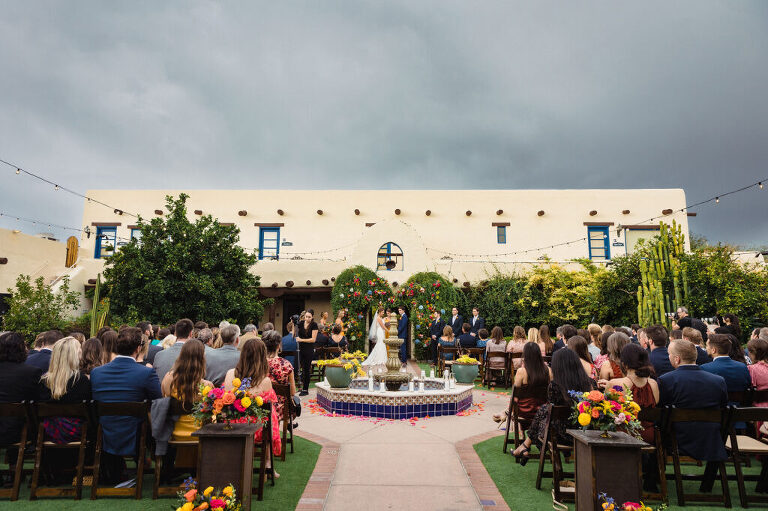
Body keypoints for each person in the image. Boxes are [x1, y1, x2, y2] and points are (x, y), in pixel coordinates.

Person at [90, 327, 162, 483]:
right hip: (136, 432)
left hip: (105, 430)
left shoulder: (97, 372)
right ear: (138, 348)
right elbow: (158, 400)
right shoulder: (145, 373)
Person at [658, 339, 728, 493]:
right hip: (712, 437)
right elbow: (724, 407)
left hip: (677, 437)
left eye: (669, 354)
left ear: (677, 359)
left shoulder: (666, 380)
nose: (668, 357)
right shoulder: (718, 381)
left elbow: (661, 411)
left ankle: (654, 478)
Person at [511, 348, 595, 464]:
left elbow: (551, 413)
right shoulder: (590, 384)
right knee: (545, 411)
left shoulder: (555, 387)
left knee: (545, 413)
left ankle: (525, 446)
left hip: (562, 435)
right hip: (587, 432)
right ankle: (525, 445)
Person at [601, 343, 660, 491]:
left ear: (624, 364)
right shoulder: (653, 384)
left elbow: (608, 410)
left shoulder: (615, 383)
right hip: (649, 435)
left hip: (624, 434)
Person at [224, 339, 281, 461]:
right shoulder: (265, 381)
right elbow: (270, 414)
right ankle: (268, 461)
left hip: (231, 425)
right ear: (262, 357)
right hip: (256, 430)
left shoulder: (230, 374)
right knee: (271, 415)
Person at [161, 339, 211, 447]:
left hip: (173, 433)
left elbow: (164, 403)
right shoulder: (207, 386)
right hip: (200, 434)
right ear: (202, 359)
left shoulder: (168, 379)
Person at [0, 332, 42, 446]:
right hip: (19, 431)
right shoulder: (32, 372)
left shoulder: (31, 371)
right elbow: (38, 400)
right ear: (22, 349)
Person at [512, 342, 552, 419]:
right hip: (543, 411)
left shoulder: (521, 372)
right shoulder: (548, 371)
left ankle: (506, 413)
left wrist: (509, 410)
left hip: (524, 412)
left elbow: (515, 394)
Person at [264, 330, 296, 422]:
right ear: (278, 346)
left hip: (262, 405)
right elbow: (292, 392)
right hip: (281, 408)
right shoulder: (286, 365)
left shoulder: (258, 364)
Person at [297, 309, 319, 396]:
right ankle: (300, 387)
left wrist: (301, 340)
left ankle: (305, 389)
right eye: (306, 316)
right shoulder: (301, 323)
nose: (307, 318)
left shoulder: (314, 325)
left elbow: (313, 339)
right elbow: (294, 333)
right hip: (300, 349)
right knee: (301, 368)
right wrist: (293, 323)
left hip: (309, 349)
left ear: (312, 317)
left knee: (306, 369)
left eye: (309, 317)